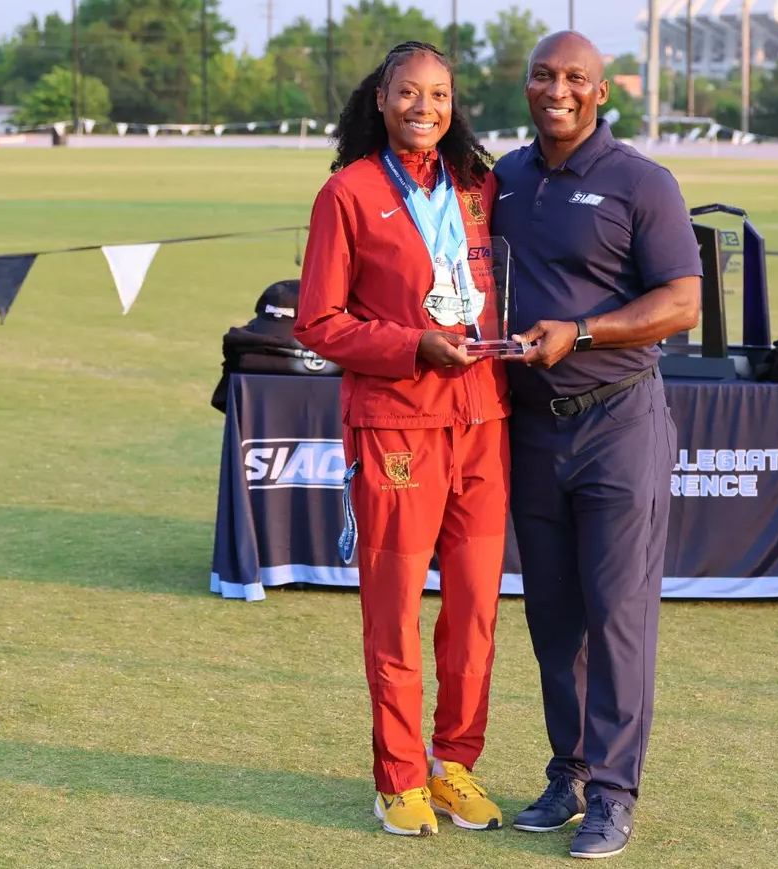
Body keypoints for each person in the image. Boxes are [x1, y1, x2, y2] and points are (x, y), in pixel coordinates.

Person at [491, 31, 703, 861]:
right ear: (527, 85)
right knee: (552, 617)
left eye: (575, 77)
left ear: (602, 91)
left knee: (617, 615)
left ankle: (614, 793)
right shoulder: (502, 179)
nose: (558, 90)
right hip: (531, 425)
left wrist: (580, 333)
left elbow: (683, 301)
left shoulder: (641, 181)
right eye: (544, 76)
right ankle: (569, 771)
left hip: (618, 420)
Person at [293, 41, 509, 838]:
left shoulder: (479, 187)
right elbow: (319, 322)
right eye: (410, 93)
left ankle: (454, 765)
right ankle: (398, 779)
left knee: (477, 609)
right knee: (394, 612)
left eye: (441, 94)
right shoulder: (347, 193)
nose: (426, 107)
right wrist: (413, 344)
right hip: (395, 428)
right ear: (379, 99)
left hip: (484, 420)